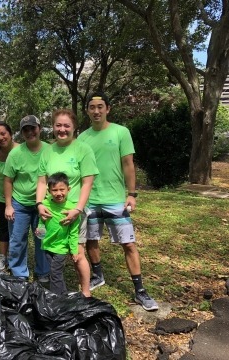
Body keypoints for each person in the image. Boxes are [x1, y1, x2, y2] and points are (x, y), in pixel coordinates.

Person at [79, 91, 159, 311]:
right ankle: (98, 275)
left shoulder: (121, 132)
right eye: (92, 107)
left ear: (108, 109)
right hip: (90, 199)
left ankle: (140, 290)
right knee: (91, 241)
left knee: (129, 244)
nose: (96, 111)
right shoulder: (82, 137)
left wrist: (132, 193)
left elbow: (128, 164)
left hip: (115, 200)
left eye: (100, 106)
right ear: (87, 110)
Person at [36, 109, 97, 297]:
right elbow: (41, 181)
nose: (62, 129)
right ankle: (59, 292)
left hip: (74, 211)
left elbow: (88, 183)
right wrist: (39, 204)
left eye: (66, 126)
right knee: (52, 249)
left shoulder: (83, 149)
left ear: (74, 127)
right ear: (53, 127)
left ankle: (86, 293)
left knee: (77, 253)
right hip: (52, 211)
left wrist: (77, 209)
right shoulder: (47, 151)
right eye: (58, 125)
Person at [4, 115, 50, 281]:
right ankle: (19, 273)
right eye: (26, 130)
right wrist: (9, 205)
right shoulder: (15, 154)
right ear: (22, 133)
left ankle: (43, 272)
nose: (30, 132)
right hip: (20, 203)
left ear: (40, 128)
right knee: (17, 239)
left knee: (42, 238)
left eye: (33, 128)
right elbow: (8, 180)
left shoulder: (50, 150)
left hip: (43, 204)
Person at [37, 172, 80, 295]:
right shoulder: (45, 205)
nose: (58, 193)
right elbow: (41, 222)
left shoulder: (72, 209)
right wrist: (39, 233)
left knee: (55, 273)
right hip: (47, 245)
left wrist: (74, 250)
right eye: (54, 190)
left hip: (61, 247)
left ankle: (56, 298)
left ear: (68, 189)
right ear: (49, 191)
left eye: (62, 189)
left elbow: (73, 231)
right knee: (55, 272)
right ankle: (63, 294)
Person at [0, 122, 18, 270]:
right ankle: (2, 257)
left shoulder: (20, 150)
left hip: (17, 197)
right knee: (4, 226)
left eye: (3, 134)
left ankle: (16, 256)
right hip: (0, 196)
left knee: (17, 228)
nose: (0, 137)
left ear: (10, 134)